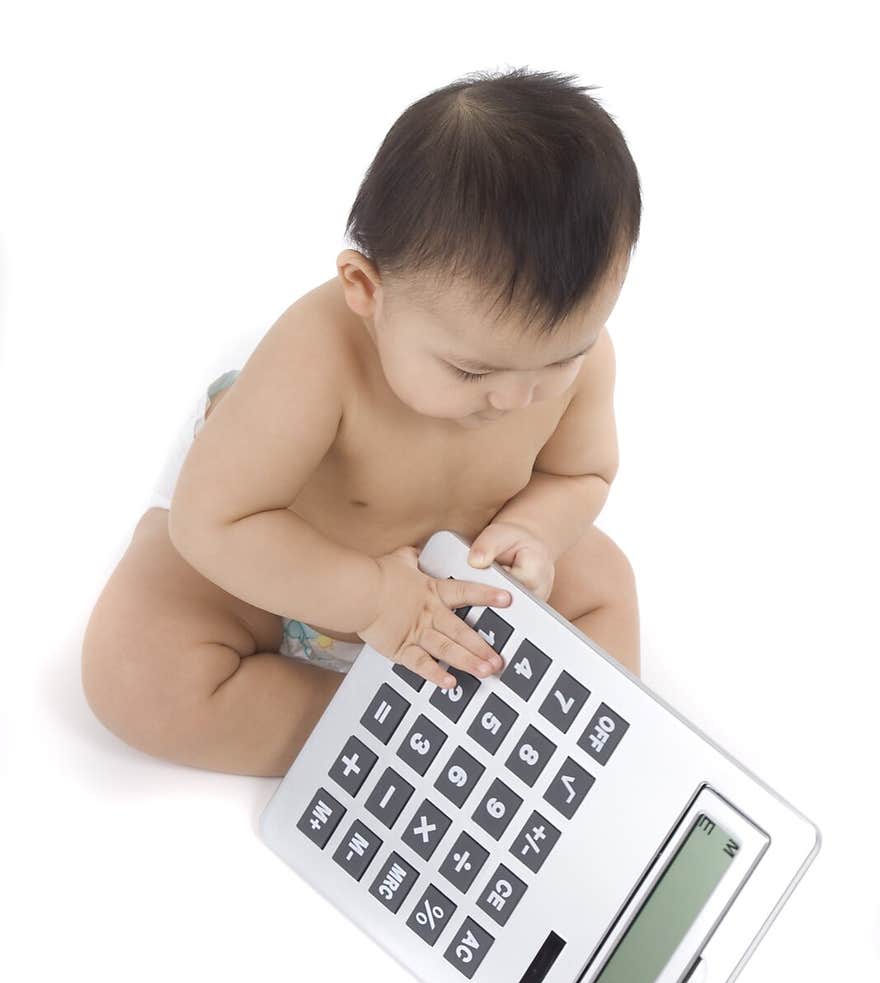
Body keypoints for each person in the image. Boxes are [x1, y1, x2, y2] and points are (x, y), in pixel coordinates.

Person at [81, 66, 642, 778]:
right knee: (134, 674)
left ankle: (489, 727)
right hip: (278, 577)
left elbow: (580, 472)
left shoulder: (574, 360)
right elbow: (213, 522)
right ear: (367, 290)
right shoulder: (317, 357)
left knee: (606, 585)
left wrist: (535, 531)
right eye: (472, 373)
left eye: (561, 360)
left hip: (449, 592)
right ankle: (378, 731)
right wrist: (371, 598)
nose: (514, 400)